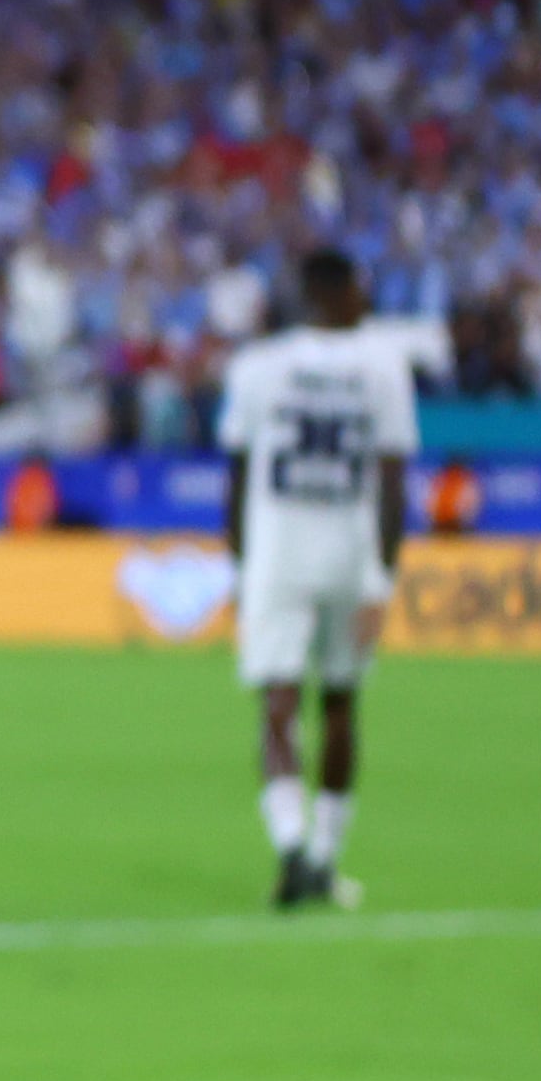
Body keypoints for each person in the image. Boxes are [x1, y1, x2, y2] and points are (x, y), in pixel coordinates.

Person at [218, 246, 417, 906]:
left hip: (276, 554)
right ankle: (325, 857)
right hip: (350, 556)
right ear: (336, 292)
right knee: (340, 704)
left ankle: (293, 847)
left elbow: (239, 475)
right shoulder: (383, 365)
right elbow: (392, 482)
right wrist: (382, 579)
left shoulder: (258, 367)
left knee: (277, 702)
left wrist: (239, 568)